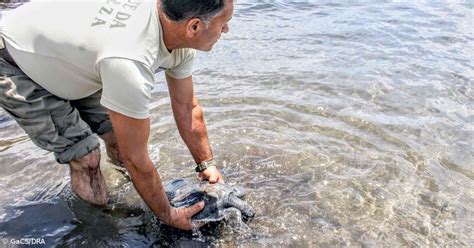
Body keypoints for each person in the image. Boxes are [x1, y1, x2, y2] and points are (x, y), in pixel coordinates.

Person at [0, 0, 233, 230]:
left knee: (118, 137)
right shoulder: (129, 61)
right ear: (193, 27)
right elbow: (136, 159)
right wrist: (169, 215)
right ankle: (100, 226)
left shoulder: (175, 32)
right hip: (14, 60)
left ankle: (130, 197)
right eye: (225, 22)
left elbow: (187, 107)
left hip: (70, 59)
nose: (226, 29)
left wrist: (206, 164)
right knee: (86, 156)